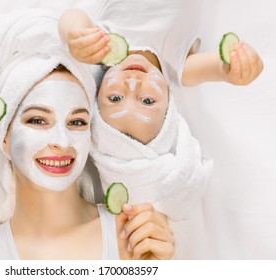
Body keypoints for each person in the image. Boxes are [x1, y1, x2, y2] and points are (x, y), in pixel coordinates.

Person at [0, 9, 174, 260]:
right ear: (4, 137)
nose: (62, 142)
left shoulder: (134, 238)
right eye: (38, 120)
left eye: (77, 122)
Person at [58, 3, 263, 221]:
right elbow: (223, 69)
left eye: (116, 98)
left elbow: (72, 16)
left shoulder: (102, 48)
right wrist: (238, 70)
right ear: (168, 107)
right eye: (147, 100)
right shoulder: (178, 69)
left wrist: (74, 36)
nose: (132, 85)